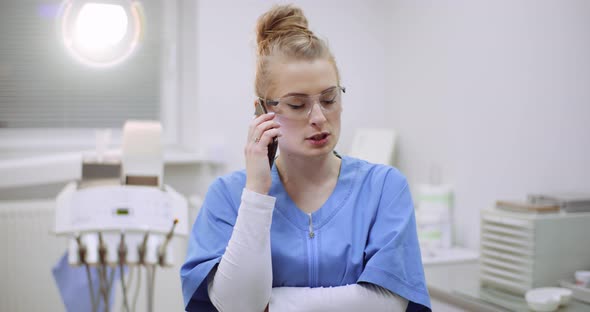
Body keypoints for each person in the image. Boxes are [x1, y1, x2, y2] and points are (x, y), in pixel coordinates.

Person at [180, 4, 431, 312]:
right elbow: (237, 306)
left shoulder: (383, 188)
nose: (319, 117)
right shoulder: (228, 197)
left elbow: (389, 303)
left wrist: (274, 305)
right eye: (297, 105)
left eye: (329, 99)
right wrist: (257, 192)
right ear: (262, 111)